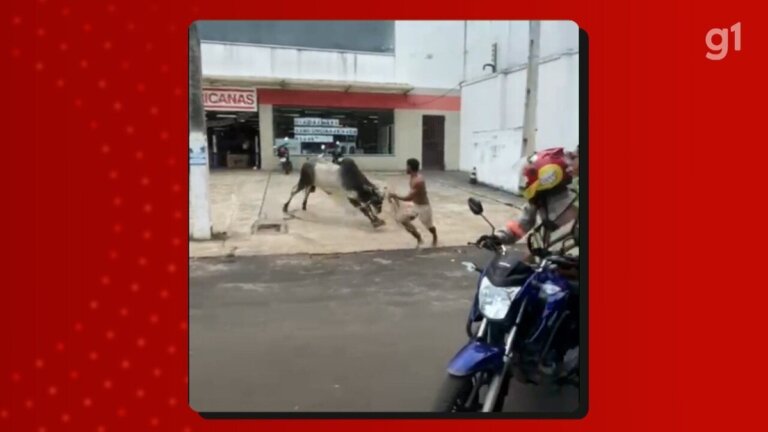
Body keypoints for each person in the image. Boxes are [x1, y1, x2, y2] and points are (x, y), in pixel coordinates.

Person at [488, 147, 579, 252]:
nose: (526, 179)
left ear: (548, 178)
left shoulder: (575, 201)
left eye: (531, 174)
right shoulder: (539, 199)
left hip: (567, 262)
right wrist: (498, 237)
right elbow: (522, 223)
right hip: (540, 257)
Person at [389, 158, 438, 247]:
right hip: (415, 205)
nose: (405, 168)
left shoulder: (418, 181)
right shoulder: (413, 177)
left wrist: (395, 196)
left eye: (407, 166)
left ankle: (435, 236)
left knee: (429, 226)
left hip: (424, 207)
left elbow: (409, 198)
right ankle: (419, 238)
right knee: (402, 220)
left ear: (410, 167)